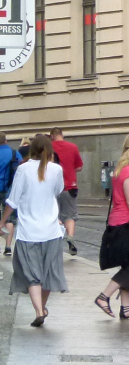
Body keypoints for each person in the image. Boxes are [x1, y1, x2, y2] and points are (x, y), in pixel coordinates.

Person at [1, 134, 67, 327]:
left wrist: (2, 221)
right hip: (51, 231)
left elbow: (12, 200)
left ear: (32, 150)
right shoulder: (56, 169)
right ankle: (42, 308)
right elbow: (58, 191)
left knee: (32, 273)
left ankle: (38, 310)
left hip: (28, 231)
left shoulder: (23, 169)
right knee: (48, 273)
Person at [96, 132, 129, 321]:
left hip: (120, 223)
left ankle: (126, 307)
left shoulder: (121, 169)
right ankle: (104, 297)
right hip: (127, 225)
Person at [50, 128, 83, 256]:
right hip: (69, 186)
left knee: (53, 215)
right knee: (70, 215)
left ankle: (55, 242)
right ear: (62, 135)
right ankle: (70, 236)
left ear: (52, 136)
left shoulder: (49, 147)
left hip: (52, 187)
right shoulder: (72, 147)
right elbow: (79, 166)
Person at [0, 135, 18, 256]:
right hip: (8, 189)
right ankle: (8, 246)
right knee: (9, 218)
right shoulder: (14, 153)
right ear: (5, 140)